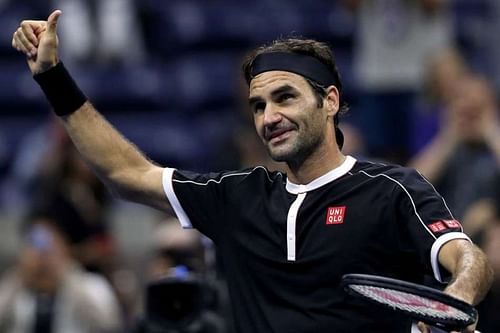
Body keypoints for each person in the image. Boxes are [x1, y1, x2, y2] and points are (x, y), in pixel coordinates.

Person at [12, 10, 493, 333]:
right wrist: (53, 76)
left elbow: (467, 258)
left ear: (330, 103)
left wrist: (453, 304)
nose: (268, 117)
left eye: (284, 97)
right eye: (258, 105)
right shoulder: (236, 196)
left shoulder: (393, 189)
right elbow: (125, 173)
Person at [0, 209, 123, 333]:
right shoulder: (14, 287)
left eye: (50, 243)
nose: (42, 254)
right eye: (34, 243)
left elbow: (108, 323)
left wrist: (67, 274)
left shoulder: (90, 284)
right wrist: (18, 276)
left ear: (65, 245)